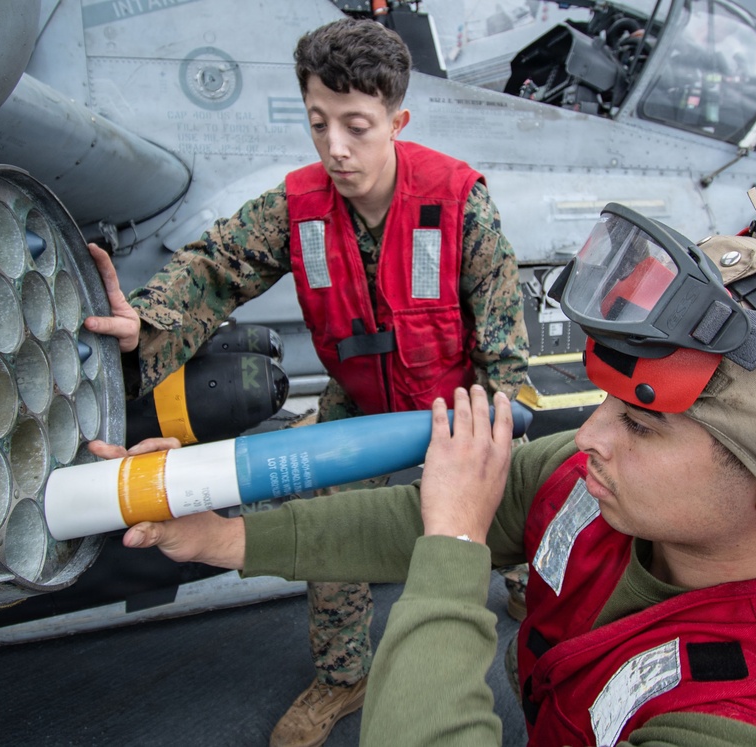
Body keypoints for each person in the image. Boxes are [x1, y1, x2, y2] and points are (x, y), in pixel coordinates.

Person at [98, 204, 756, 746]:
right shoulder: (592, 483)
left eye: (640, 424)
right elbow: (408, 518)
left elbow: (440, 532)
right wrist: (220, 539)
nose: (590, 435)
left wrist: (455, 548)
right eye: (607, 403)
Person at [84, 16, 529, 746]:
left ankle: (529, 588)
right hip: (359, 408)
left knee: (517, 517)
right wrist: (150, 322)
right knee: (331, 538)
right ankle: (343, 672)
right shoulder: (298, 209)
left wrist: (496, 439)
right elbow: (215, 266)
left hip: (460, 411)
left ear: (398, 119)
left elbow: (503, 345)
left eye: (357, 126)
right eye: (319, 124)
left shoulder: (458, 204)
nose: (335, 149)